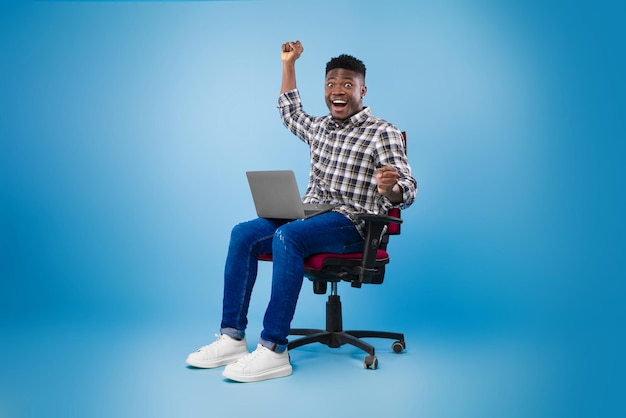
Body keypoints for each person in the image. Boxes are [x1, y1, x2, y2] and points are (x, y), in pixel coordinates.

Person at [186, 40, 417, 383]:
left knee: (287, 236)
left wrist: (390, 189)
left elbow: (408, 189)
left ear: (362, 90)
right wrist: (288, 63)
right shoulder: (319, 127)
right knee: (243, 234)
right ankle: (232, 337)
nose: (338, 92)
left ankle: (274, 348)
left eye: (347, 85)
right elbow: (290, 112)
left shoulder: (382, 132)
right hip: (310, 214)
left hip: (352, 224)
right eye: (331, 85)